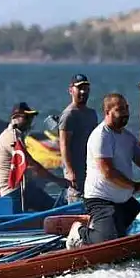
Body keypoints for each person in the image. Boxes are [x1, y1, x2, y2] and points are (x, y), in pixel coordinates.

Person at [82, 93, 140, 244]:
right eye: (120, 109)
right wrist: (137, 186)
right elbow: (107, 172)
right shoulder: (101, 136)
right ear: (107, 112)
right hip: (101, 200)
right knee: (110, 240)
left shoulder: (128, 137)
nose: (125, 113)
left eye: (126, 108)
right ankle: (80, 232)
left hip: (124, 200)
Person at [0, 102, 68, 211]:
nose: (30, 121)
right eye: (26, 117)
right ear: (15, 118)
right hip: (16, 192)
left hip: (13, 191)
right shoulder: (11, 137)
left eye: (31, 117)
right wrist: (57, 180)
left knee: (40, 194)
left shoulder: (11, 135)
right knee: (58, 209)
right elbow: (31, 163)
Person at [57, 73, 99, 203]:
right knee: (77, 204)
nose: (83, 92)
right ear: (71, 90)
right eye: (79, 88)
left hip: (91, 170)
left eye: (86, 88)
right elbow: (64, 145)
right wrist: (70, 171)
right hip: (76, 173)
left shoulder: (92, 114)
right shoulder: (69, 115)